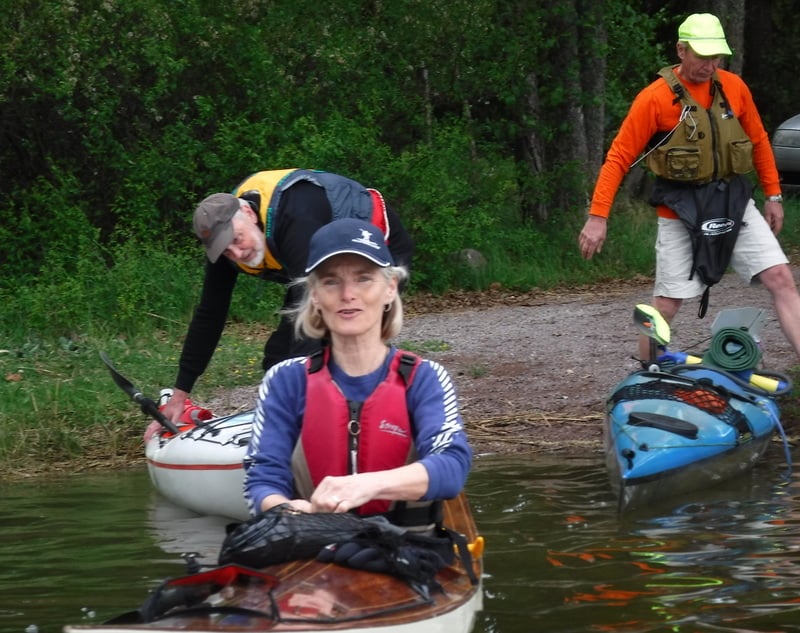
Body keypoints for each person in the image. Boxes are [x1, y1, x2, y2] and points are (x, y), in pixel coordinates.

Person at [578, 13, 800, 362]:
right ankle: (648, 375)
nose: (710, 65)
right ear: (681, 50)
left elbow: (757, 140)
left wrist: (773, 194)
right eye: (702, 56)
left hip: (733, 201)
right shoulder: (654, 99)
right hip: (680, 209)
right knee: (666, 306)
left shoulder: (734, 88)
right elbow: (619, 157)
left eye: (716, 57)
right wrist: (597, 216)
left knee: (781, 277)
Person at [242, 218, 472, 524]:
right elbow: (262, 484)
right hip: (312, 539)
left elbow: (452, 467)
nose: (347, 294)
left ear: (390, 288)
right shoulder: (285, 380)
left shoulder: (424, 378)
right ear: (315, 296)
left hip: (409, 546)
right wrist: (298, 512)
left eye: (363, 278)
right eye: (331, 281)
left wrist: (367, 485)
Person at [163, 169, 415, 422]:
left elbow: (312, 310)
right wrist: (180, 394)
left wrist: (299, 403)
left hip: (380, 249)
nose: (236, 254)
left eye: (237, 240)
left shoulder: (293, 217)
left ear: (249, 214)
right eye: (226, 251)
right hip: (324, 267)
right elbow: (210, 313)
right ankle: (294, 419)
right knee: (278, 356)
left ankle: (371, 416)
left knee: (345, 337)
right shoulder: (224, 243)